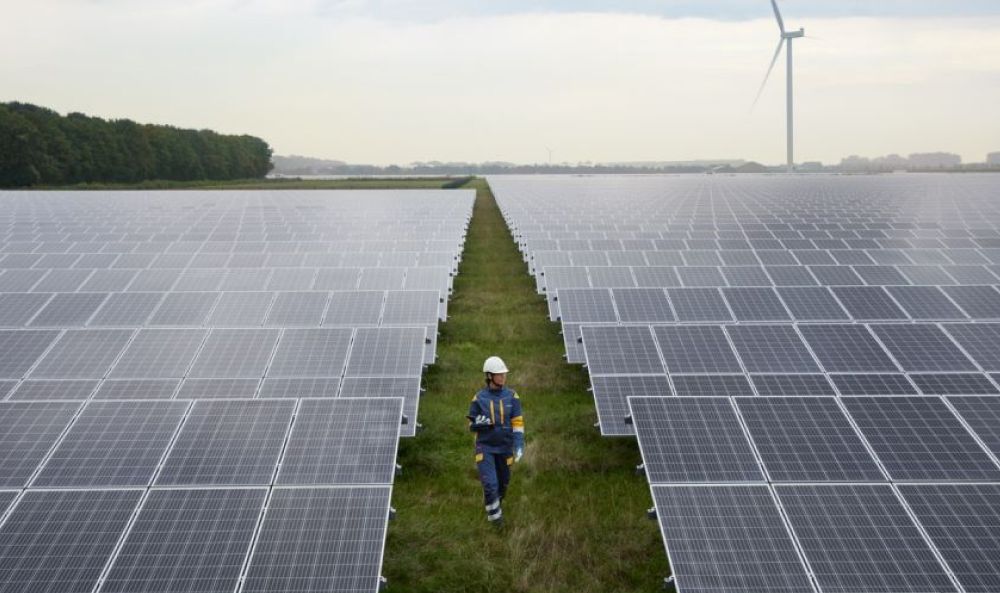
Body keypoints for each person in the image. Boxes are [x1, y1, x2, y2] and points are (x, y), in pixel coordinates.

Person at [467, 356, 524, 527]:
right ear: (490, 376)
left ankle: (494, 503)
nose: (503, 377)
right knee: (490, 484)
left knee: (503, 484)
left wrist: (519, 443)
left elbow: (517, 422)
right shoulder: (478, 398)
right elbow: (471, 424)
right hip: (485, 448)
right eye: (499, 374)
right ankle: (496, 523)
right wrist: (479, 423)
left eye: (504, 374)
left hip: (505, 448)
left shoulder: (513, 396)